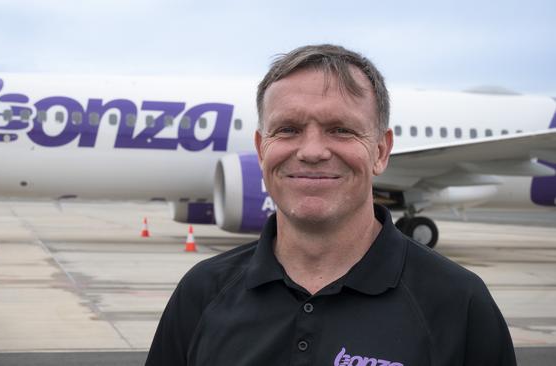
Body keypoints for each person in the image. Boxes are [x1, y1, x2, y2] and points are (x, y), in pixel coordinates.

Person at [145, 44, 516, 366]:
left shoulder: (458, 303)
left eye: (341, 129)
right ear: (261, 149)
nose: (311, 152)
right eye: (288, 129)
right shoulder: (202, 292)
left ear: (381, 151)